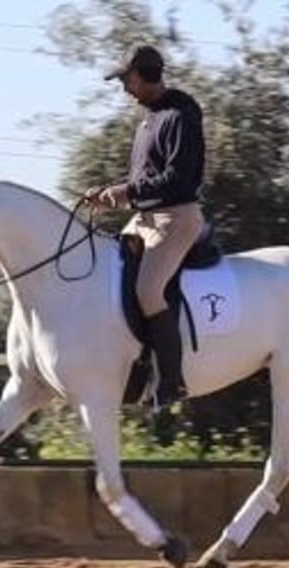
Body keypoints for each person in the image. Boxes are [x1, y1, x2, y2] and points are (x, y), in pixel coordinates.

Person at [87, 45, 206, 405]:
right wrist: (111, 191)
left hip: (176, 217)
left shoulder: (181, 114)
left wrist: (126, 191)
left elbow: (178, 178)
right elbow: (146, 176)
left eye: (126, 80)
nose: (124, 88)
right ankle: (127, 361)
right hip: (145, 218)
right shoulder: (149, 116)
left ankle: (172, 381)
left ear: (142, 75)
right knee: (105, 274)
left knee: (147, 291)